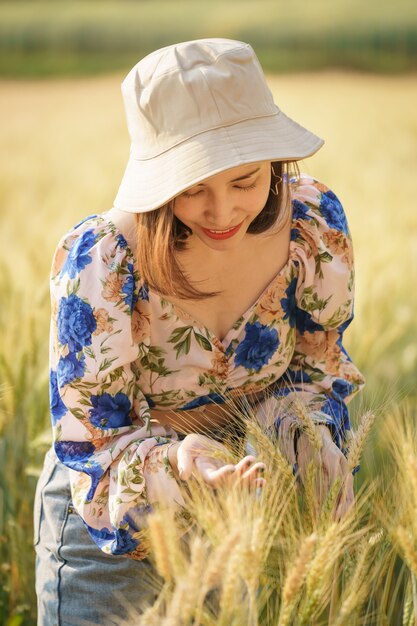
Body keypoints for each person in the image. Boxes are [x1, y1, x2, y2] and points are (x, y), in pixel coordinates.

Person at [34, 38, 365, 625]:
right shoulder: (103, 261)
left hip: (237, 504)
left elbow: (314, 369)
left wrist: (307, 438)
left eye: (244, 180)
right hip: (106, 523)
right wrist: (181, 464)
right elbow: (97, 445)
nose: (222, 213)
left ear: (273, 159)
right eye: (191, 188)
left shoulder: (311, 225)